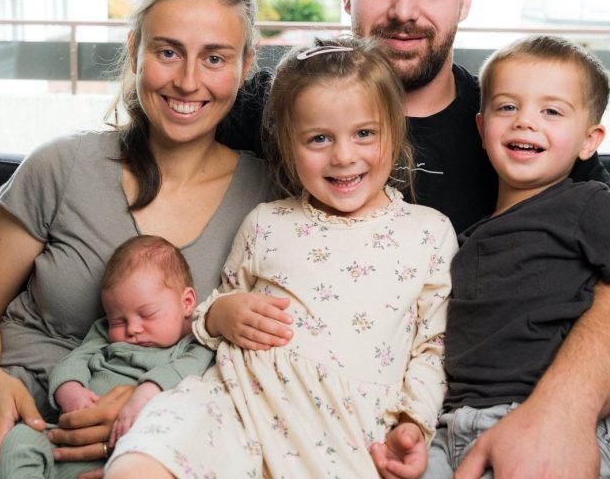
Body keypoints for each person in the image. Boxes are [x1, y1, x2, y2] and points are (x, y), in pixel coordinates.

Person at [0, 0, 610, 478]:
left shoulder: (515, 132)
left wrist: (564, 408)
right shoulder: (274, 105)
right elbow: (131, 139)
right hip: (219, 409)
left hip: (395, 419)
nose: (405, 8)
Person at [0, 0, 275, 479]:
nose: (188, 81)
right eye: (168, 52)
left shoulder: (269, 197)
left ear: (246, 64)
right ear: (135, 50)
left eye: (215, 58)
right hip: (4, 402)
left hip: (163, 434)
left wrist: (155, 400)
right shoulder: (63, 164)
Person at [104, 37, 456, 479]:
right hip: (237, 403)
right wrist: (221, 315)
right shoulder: (266, 222)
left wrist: (414, 424)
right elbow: (218, 304)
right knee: (141, 460)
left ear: (394, 131)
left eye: (364, 134)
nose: (344, 156)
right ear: (288, 145)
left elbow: (434, 346)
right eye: (319, 138)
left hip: (344, 429)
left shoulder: (428, 232)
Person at [423, 34, 610, 479]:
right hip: (450, 428)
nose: (525, 121)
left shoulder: (591, 205)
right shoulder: (463, 238)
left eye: (552, 111)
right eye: (507, 107)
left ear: (589, 140)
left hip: (541, 426)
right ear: (482, 129)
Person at [0, 234, 214, 479]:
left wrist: (143, 395)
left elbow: (182, 373)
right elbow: (73, 361)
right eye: (118, 321)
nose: (132, 329)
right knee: (19, 439)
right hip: (66, 440)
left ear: (187, 302)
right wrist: (70, 391)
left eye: (147, 314)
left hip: (132, 452)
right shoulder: (104, 335)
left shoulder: (195, 345)